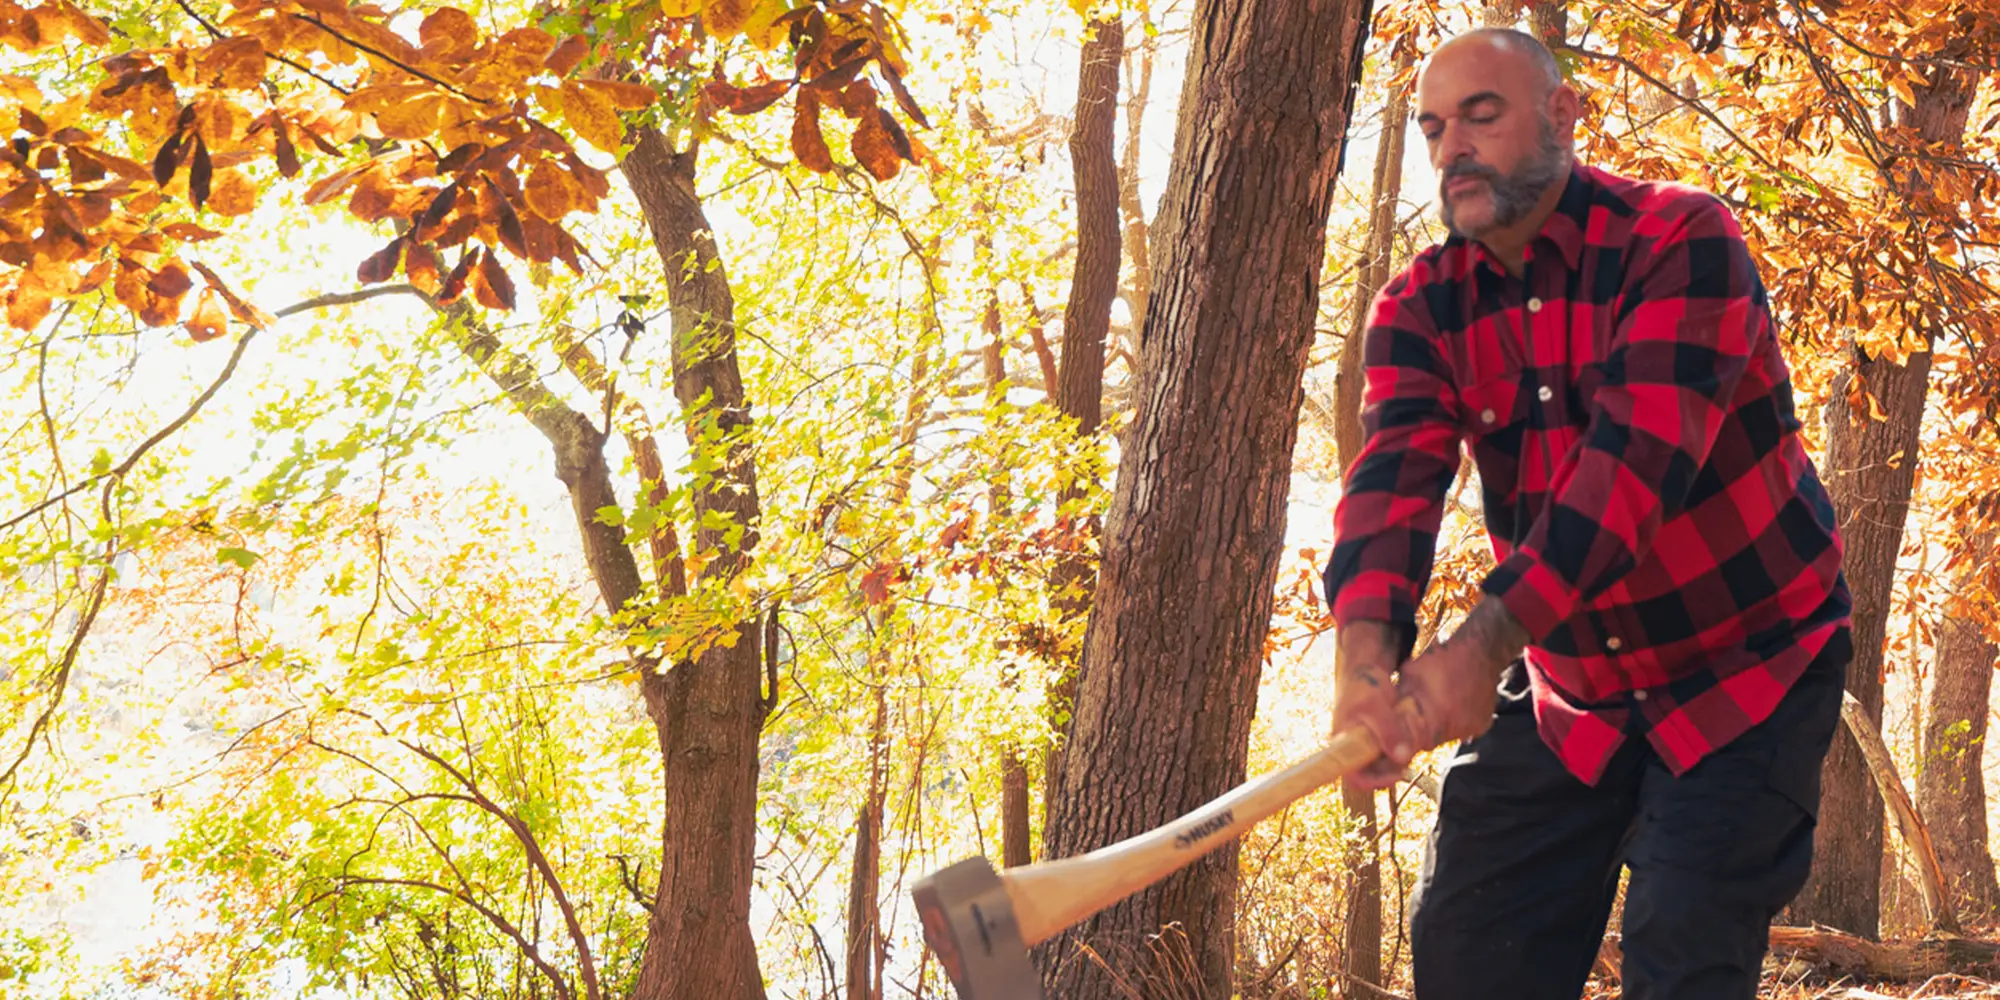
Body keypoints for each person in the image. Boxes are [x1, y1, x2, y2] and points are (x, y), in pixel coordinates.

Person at [1322, 27, 1854, 1000]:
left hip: (1743, 665)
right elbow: (1390, 481)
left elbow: (1629, 474)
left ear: (1563, 116)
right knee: (1469, 951)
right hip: (1572, 683)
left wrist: (1475, 649)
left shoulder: (1679, 241)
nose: (1451, 149)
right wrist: (1364, 664)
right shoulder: (1418, 308)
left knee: (1680, 940)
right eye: (1433, 129)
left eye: (1480, 115)